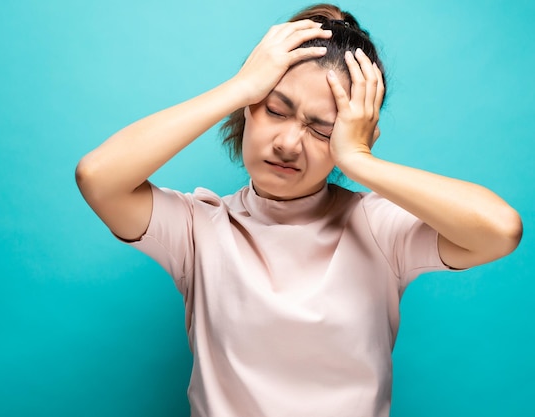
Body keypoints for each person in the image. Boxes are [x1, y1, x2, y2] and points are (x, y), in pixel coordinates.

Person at [75, 3, 522, 416]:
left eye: (322, 130)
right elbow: (98, 177)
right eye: (274, 109)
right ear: (248, 109)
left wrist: (362, 162)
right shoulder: (199, 229)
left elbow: (500, 229)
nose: (288, 143)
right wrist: (238, 87)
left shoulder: (380, 230)